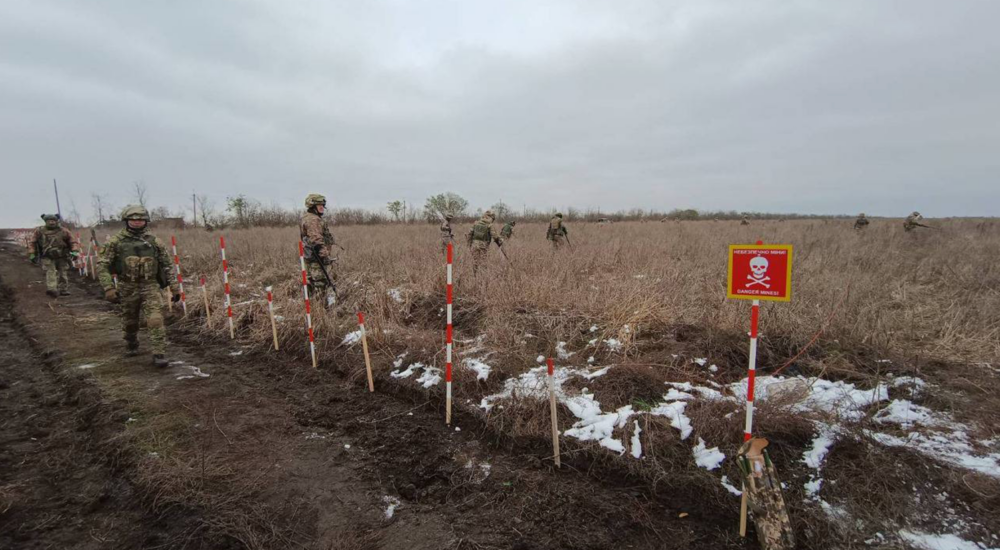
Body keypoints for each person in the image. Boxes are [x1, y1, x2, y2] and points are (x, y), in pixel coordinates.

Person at [97, 206, 179, 366]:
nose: (137, 222)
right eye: (133, 219)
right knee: (130, 321)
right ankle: (131, 343)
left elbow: (167, 265)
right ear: (126, 221)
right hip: (127, 286)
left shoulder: (155, 242)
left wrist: (174, 287)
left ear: (146, 221)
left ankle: (159, 353)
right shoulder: (115, 242)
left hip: (150, 286)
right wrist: (108, 288)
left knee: (155, 319)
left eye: (140, 219)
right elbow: (103, 266)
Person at [28, 214, 80, 297]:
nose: (51, 223)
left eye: (53, 221)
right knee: (50, 272)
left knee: (63, 273)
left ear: (56, 221)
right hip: (47, 256)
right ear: (45, 221)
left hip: (62, 256)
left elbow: (72, 241)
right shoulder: (39, 231)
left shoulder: (63, 231)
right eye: (49, 221)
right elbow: (32, 243)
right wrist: (32, 253)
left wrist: (75, 251)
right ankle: (52, 289)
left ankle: (63, 289)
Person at [301, 193, 337, 307]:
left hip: (311, 257)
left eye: (322, 205)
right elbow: (316, 240)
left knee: (312, 282)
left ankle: (313, 308)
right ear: (312, 207)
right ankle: (322, 309)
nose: (322, 207)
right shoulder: (313, 220)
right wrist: (324, 257)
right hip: (316, 258)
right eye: (319, 205)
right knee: (320, 283)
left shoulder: (308, 217)